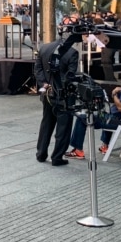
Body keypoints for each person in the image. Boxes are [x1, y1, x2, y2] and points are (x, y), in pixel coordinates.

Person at [67, 63, 121, 159]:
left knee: (83, 118)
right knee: (104, 114)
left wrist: (114, 94)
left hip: (118, 122)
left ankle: (78, 150)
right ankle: (105, 146)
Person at [33, 33, 79, 166]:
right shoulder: (72, 53)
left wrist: (44, 83)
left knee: (46, 124)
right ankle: (57, 157)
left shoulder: (45, 48)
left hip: (47, 93)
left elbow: (38, 69)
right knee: (63, 128)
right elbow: (70, 76)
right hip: (63, 96)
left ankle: (41, 153)